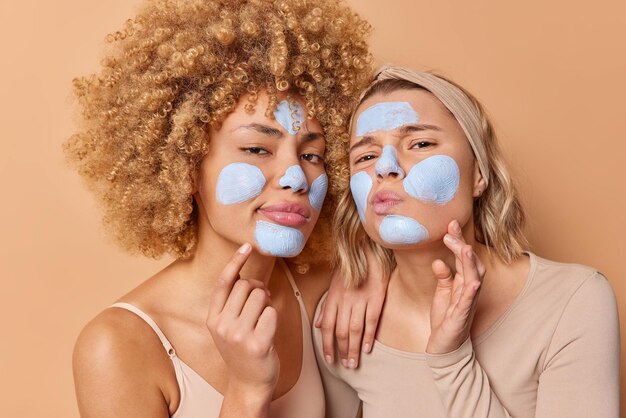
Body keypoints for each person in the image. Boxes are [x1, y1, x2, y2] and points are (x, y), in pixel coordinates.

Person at [64, 0, 373, 416]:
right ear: (186, 167)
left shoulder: (326, 289)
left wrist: (369, 275)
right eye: (257, 149)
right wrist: (247, 388)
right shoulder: (119, 345)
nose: (296, 177)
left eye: (313, 156)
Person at [313, 65, 620, 417]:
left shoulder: (573, 300)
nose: (384, 167)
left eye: (420, 143)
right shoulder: (342, 323)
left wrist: (452, 360)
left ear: (480, 174)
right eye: (365, 156)